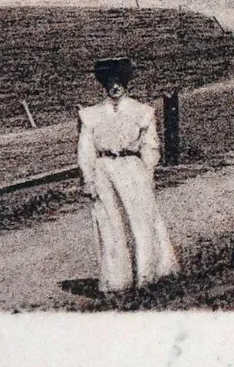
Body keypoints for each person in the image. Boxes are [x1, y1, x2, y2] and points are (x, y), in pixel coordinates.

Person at [75, 58, 180, 295]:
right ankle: (117, 280)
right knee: (110, 221)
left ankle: (146, 274)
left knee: (140, 220)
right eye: (110, 82)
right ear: (104, 85)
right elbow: (85, 149)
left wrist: (147, 171)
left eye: (119, 82)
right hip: (104, 170)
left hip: (132, 169)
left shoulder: (141, 112)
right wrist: (88, 178)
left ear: (126, 84)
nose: (115, 87)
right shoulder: (91, 115)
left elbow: (150, 146)